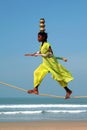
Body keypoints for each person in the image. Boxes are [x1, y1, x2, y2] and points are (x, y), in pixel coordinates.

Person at [24, 32, 74, 99]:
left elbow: (51, 53)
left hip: (51, 64)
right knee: (36, 72)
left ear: (43, 37)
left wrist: (47, 54)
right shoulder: (42, 45)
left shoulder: (47, 44)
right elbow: (40, 52)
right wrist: (33, 54)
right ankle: (35, 89)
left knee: (58, 78)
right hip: (45, 64)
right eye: (38, 36)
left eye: (39, 37)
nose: (37, 38)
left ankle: (68, 91)